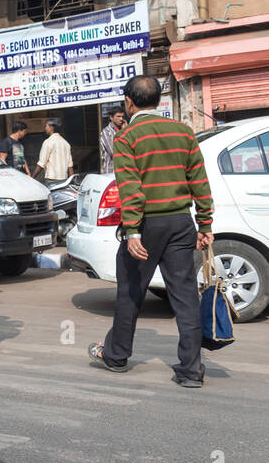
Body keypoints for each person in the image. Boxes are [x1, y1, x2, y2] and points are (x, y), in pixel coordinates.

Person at [89, 76, 212, 387]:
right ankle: (191, 370)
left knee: (131, 291)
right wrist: (205, 223)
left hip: (146, 226)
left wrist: (132, 231)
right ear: (158, 101)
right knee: (184, 297)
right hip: (181, 223)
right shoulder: (184, 132)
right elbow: (199, 181)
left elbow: (130, 189)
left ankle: (116, 356)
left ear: (129, 102)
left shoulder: (126, 136)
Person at [99, 108, 126, 174]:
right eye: (118, 116)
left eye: (122, 116)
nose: (121, 119)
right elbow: (114, 152)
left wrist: (125, 131)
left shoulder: (123, 130)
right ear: (111, 117)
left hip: (124, 171)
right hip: (111, 172)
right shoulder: (106, 132)